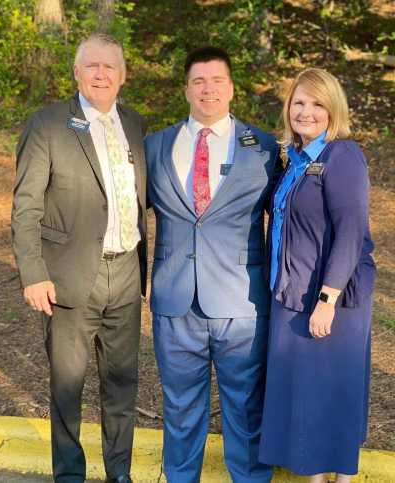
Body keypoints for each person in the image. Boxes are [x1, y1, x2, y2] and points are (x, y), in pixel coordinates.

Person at [11, 33, 147, 483]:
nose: (101, 74)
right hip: (67, 280)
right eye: (92, 66)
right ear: (76, 73)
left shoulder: (135, 124)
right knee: (67, 389)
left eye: (110, 66)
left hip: (126, 274)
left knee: (122, 387)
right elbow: (26, 206)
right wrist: (33, 273)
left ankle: (119, 474)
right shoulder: (48, 124)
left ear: (123, 76)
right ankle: (69, 476)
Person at [145, 46, 282, 483]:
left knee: (245, 409)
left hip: (241, 303)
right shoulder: (155, 145)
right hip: (174, 301)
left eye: (217, 80)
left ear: (232, 89)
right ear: (186, 89)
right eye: (199, 81)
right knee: (180, 410)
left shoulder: (262, 146)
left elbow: (287, 217)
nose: (208, 89)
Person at [258, 68, 376, 483]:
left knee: (331, 391)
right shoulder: (295, 161)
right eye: (299, 102)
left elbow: (350, 232)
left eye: (316, 104)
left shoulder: (341, 156)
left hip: (332, 299)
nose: (305, 112)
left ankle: (339, 478)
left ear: (333, 110)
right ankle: (313, 475)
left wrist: (327, 299)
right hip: (293, 293)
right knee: (307, 393)